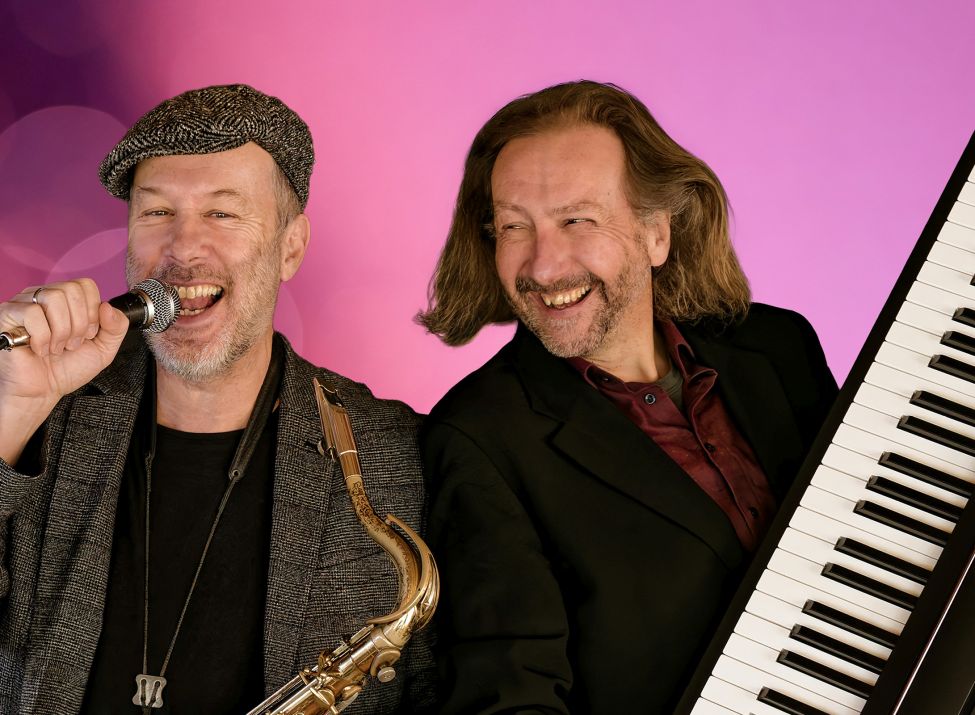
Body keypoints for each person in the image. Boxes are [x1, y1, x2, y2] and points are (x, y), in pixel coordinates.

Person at [0, 84, 434, 714]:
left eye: (223, 214)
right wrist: (11, 412)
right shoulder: (39, 416)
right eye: (156, 212)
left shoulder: (395, 455)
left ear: (290, 247)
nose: (182, 248)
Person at [417, 80, 838, 714]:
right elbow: (511, 697)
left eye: (576, 220)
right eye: (513, 226)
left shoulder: (780, 347)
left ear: (656, 232)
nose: (543, 266)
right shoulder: (478, 438)